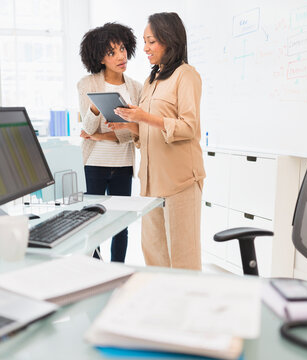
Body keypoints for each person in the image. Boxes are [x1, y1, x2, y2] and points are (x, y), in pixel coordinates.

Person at [110, 12, 205, 270]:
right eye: (145, 41)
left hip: (180, 182)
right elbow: (146, 132)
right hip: (150, 184)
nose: (145, 48)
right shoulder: (151, 79)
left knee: (183, 259)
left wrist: (145, 117)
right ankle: (163, 308)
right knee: (154, 258)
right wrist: (130, 124)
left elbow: (188, 127)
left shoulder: (187, 75)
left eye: (151, 41)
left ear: (168, 39)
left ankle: (186, 309)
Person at [77, 23, 142, 263]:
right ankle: (94, 269)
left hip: (123, 165)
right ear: (99, 57)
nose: (121, 56)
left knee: (120, 224)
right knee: (91, 222)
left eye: (123, 48)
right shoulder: (87, 85)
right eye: (111, 52)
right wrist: (95, 107)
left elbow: (137, 133)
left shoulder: (136, 87)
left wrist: (106, 135)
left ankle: (117, 271)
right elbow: (87, 129)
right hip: (93, 164)